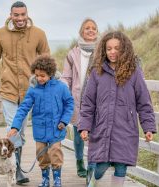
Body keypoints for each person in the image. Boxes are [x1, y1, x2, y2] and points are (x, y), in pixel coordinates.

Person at [0, 1, 50, 185]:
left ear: (27, 14)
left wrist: (50, 85)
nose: (20, 18)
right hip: (9, 90)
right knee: (14, 128)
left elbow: (47, 60)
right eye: (16, 15)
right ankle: (17, 170)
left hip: (30, 91)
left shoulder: (39, 34)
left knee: (22, 133)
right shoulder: (0, 34)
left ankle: (14, 165)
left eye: (23, 14)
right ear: (10, 15)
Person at [78, 31, 157, 187]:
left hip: (125, 129)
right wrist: (84, 126)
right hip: (102, 127)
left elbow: (144, 102)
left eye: (117, 48)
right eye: (109, 49)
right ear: (104, 50)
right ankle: (93, 183)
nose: (113, 52)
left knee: (121, 166)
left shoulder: (134, 72)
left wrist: (148, 127)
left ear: (124, 49)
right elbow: (88, 103)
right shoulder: (97, 72)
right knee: (101, 165)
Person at [8, 55, 74, 187]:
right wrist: (15, 126)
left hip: (57, 128)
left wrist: (64, 121)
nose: (39, 78)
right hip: (40, 130)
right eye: (37, 75)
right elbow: (23, 108)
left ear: (50, 73)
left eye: (42, 75)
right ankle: (45, 179)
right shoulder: (33, 89)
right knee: (41, 154)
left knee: (55, 152)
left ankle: (57, 179)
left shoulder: (61, 87)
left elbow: (69, 104)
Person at [61, 18, 99, 178]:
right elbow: (66, 78)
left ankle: (92, 165)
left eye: (93, 28)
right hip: (77, 99)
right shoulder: (72, 54)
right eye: (87, 28)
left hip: (97, 100)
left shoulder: (103, 51)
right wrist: (64, 95)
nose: (90, 30)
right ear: (81, 32)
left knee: (95, 134)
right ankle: (79, 162)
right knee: (78, 134)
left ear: (97, 31)